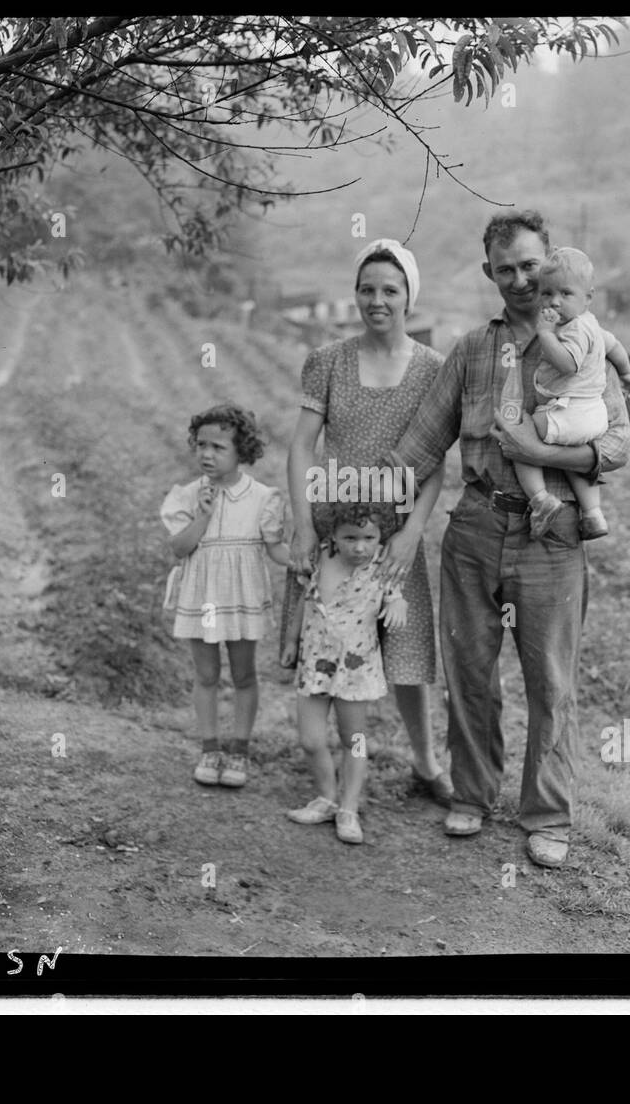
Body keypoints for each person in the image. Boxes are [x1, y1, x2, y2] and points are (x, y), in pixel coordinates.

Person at [388, 210, 630, 868]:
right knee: (469, 671)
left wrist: (542, 451)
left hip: (551, 535)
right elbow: (419, 445)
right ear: (489, 274)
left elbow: (616, 445)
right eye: (507, 269)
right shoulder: (472, 351)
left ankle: (548, 816)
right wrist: (345, 499)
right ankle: (471, 794)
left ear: (551, 261)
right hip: (474, 526)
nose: (523, 280)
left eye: (532, 265)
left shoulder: (587, 342)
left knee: (550, 681)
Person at [286, 238, 452, 804]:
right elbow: (302, 446)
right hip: (337, 531)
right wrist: (306, 523)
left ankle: (427, 765)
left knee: (404, 653)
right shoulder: (329, 361)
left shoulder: (432, 370)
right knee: (328, 643)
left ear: (409, 296)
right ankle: (331, 775)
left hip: (396, 534)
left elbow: (434, 466)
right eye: (367, 289)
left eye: (390, 289)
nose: (377, 300)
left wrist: (412, 533)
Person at [160, 404, 291, 788]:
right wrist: (202, 515)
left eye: (218, 447)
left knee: (244, 674)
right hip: (203, 597)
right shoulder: (186, 495)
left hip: (241, 595)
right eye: (201, 445)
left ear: (242, 451)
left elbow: (276, 549)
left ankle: (239, 751)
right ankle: (209, 748)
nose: (206, 454)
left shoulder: (263, 497)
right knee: (206, 674)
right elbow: (180, 548)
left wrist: (302, 560)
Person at [282, 502, 407, 845]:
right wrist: (291, 641)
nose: (360, 546)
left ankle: (348, 807)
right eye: (351, 538)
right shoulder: (321, 557)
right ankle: (326, 797)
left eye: (368, 537)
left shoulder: (382, 565)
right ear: (334, 536)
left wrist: (397, 604)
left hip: (355, 666)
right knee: (310, 739)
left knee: (355, 740)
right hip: (315, 662)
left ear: (380, 537)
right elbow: (306, 601)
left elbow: (396, 597)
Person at [510, 247, 630, 539]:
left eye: (565, 294)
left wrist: (545, 333)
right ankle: (593, 514)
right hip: (592, 417)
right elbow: (615, 347)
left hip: (569, 410)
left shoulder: (572, 330)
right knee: (571, 459)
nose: (554, 302)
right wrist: (627, 373)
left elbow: (568, 365)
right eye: (547, 294)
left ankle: (540, 499)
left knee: (520, 437)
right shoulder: (593, 325)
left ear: (588, 298)